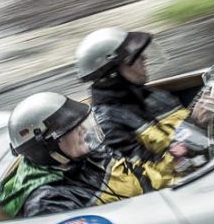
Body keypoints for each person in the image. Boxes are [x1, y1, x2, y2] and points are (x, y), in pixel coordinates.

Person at [0, 92, 177, 218]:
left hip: (161, 207)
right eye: (70, 128)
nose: (83, 129)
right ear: (46, 148)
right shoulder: (48, 204)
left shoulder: (88, 157)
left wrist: (175, 161)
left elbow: (142, 178)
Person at [74, 27, 194, 160]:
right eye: (134, 56)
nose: (144, 57)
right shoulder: (106, 125)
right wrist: (193, 134)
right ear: (112, 73)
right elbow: (145, 175)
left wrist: (201, 120)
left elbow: (187, 134)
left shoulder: (153, 95)